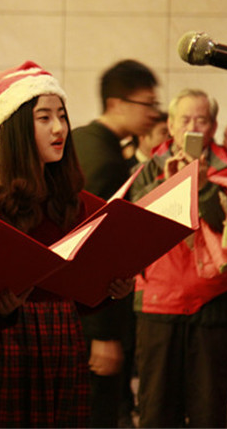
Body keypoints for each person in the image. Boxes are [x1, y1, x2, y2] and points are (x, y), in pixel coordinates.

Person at [0, 61, 134, 427]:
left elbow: (81, 288)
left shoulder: (74, 199)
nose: (59, 129)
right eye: (44, 118)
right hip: (0, 345)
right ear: (16, 128)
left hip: (62, 338)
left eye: (62, 116)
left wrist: (112, 287)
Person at [128, 89, 227, 428]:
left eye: (202, 120)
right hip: (157, 303)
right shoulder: (149, 168)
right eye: (186, 120)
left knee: (208, 410)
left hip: (213, 301)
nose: (193, 127)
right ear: (170, 125)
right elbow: (136, 223)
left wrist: (202, 184)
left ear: (213, 126)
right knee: (156, 410)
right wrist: (169, 182)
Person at [71, 59, 160, 428]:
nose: (154, 114)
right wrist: (103, 334)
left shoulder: (82, 140)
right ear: (116, 103)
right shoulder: (105, 159)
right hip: (91, 317)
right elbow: (96, 248)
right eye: (147, 104)